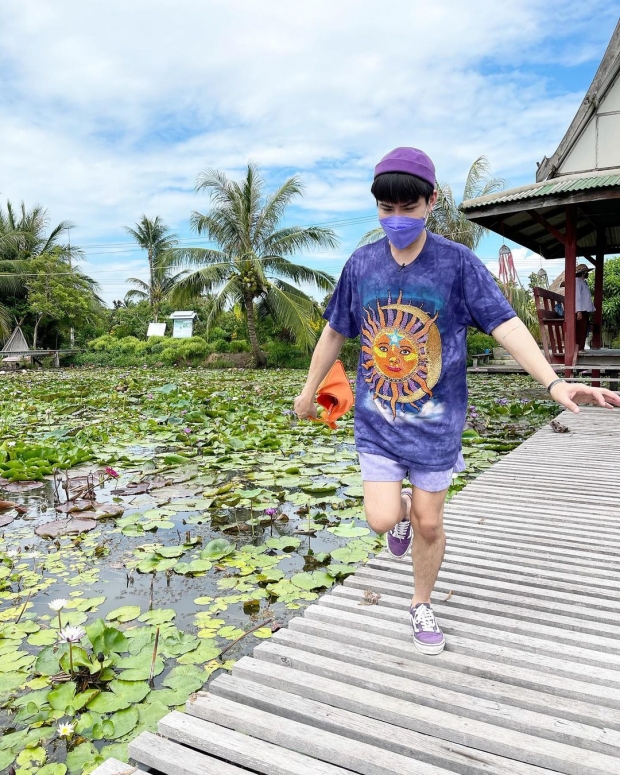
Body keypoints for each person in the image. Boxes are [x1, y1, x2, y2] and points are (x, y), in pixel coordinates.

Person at [293, 147, 620, 656]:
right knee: (382, 519)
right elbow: (335, 330)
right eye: (386, 209)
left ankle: (420, 603)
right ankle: (398, 518)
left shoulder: (457, 264)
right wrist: (308, 390)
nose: (397, 220)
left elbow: (507, 324)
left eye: (409, 208)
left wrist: (555, 383)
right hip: (377, 422)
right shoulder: (361, 264)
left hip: (437, 427)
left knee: (430, 521)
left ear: (431, 201)